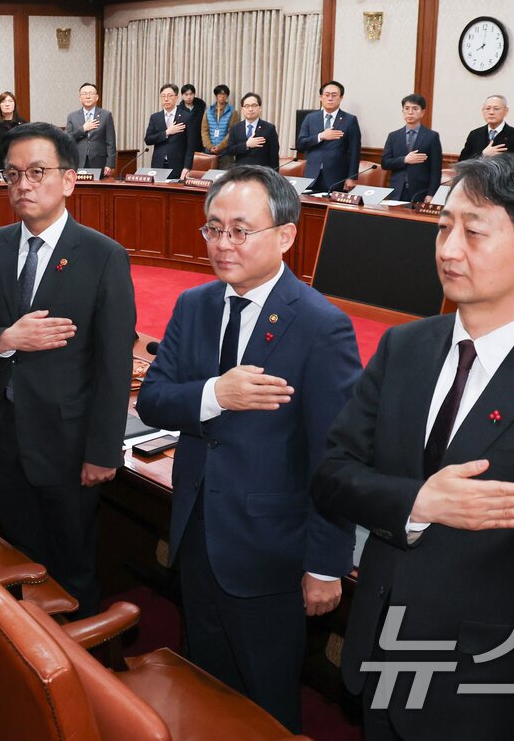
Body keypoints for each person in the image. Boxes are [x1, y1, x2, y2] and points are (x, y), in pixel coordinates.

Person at [312, 154, 514, 740]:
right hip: (379, 663)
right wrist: (419, 504)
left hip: (481, 696)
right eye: (444, 226)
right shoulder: (404, 348)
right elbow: (333, 474)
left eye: (474, 231)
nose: (447, 248)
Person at [135, 166, 360, 732]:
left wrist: (326, 564)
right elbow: (155, 400)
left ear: (285, 235)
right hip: (197, 532)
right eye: (213, 229)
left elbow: (334, 456)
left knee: (265, 702)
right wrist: (216, 393)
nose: (223, 244)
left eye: (240, 230)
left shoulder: (320, 325)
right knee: (207, 686)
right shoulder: (195, 305)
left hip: (270, 551)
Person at [0, 122, 136, 617]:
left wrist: (102, 450)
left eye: (36, 172)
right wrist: (5, 340)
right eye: (12, 175)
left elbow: (115, 367)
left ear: (69, 180)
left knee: (73, 569)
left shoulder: (103, 257)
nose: (23, 185)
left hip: (68, 446)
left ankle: (81, 668)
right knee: (20, 560)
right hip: (2, 435)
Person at [296, 81, 362, 192]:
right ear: (321, 97)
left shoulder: (350, 120)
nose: (330, 98)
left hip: (336, 177)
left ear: (341, 98)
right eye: (327, 95)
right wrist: (321, 136)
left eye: (334, 95)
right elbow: (301, 144)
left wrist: (352, 178)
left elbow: (355, 151)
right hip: (312, 177)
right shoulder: (310, 118)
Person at [381, 93, 443, 202]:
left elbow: (436, 170)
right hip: (397, 191)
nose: (410, 112)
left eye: (415, 109)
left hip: (421, 192)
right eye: (407, 108)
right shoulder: (393, 136)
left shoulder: (432, 136)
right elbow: (385, 163)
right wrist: (405, 160)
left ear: (422, 112)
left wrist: (431, 194)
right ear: (402, 111)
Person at [63, 82, 116, 178]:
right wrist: (83, 129)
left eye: (91, 93)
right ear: (80, 98)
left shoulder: (106, 115)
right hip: (78, 161)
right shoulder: (72, 116)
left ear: (97, 97)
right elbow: (66, 138)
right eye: (84, 94)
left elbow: (111, 142)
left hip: (99, 161)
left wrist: (110, 164)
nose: (88, 97)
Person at [144, 83, 197, 179]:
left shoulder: (186, 117)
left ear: (176, 97)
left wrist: (187, 167)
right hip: (158, 164)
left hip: (178, 166)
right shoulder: (155, 117)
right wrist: (166, 132)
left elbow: (191, 146)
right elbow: (148, 140)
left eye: (170, 96)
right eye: (163, 96)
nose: (166, 99)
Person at [460, 94, 514, 160]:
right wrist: (483, 155)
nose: (491, 112)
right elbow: (462, 162)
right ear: (483, 111)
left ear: (506, 111)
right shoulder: (475, 134)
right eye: (488, 108)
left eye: (496, 108)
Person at [225, 92, 280, 169]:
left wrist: (274, 176)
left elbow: (274, 156)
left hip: (261, 173)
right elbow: (230, 150)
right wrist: (246, 145)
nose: (250, 109)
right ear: (242, 109)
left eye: (254, 105)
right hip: (240, 172)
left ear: (260, 108)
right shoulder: (235, 128)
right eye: (247, 106)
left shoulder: (269, 128)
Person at [0, 91, 26, 180]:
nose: (7, 104)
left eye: (10, 101)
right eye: (3, 102)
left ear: (14, 105)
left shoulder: (23, 124)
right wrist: (6, 142)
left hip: (20, 165)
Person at [201, 84, 235, 168]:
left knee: (225, 177)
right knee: (208, 177)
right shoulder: (208, 111)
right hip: (209, 151)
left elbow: (232, 132)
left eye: (224, 94)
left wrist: (220, 147)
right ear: (216, 95)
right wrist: (209, 146)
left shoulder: (232, 112)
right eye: (220, 94)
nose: (222, 96)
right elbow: (204, 130)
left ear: (227, 96)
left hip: (225, 152)